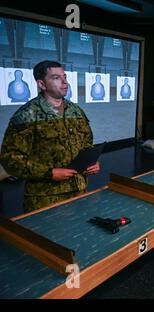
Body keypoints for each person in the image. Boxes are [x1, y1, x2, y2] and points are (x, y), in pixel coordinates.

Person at [0, 60, 100, 212]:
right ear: (42, 84)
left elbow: (87, 143)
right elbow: (10, 159)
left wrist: (92, 162)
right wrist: (49, 173)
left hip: (79, 191)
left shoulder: (76, 111)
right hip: (45, 198)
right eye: (56, 78)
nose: (65, 82)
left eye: (64, 77)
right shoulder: (27, 115)